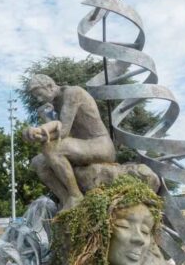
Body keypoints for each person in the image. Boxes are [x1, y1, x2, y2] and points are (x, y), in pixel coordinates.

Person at [22, 74, 116, 210]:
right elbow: (59, 134)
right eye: (36, 97)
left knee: (51, 148)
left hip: (100, 145)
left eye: (39, 94)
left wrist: (39, 132)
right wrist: (42, 126)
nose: (39, 99)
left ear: (49, 86)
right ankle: (66, 200)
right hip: (81, 146)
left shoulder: (73, 93)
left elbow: (63, 132)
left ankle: (76, 195)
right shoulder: (54, 104)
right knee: (38, 162)